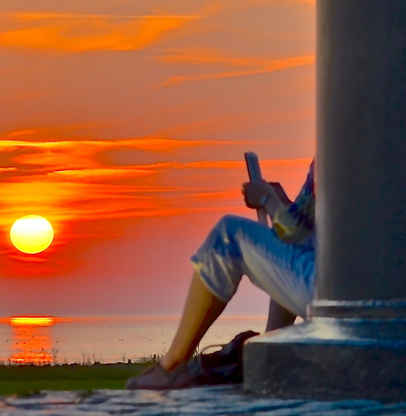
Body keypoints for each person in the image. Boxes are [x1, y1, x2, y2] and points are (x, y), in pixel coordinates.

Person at [127, 161, 316, 390]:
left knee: (228, 235)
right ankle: (270, 350)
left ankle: (172, 367)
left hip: (334, 290)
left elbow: (292, 230)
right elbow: (308, 229)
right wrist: (284, 205)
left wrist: (267, 199)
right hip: (364, 287)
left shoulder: (338, 140)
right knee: (283, 249)